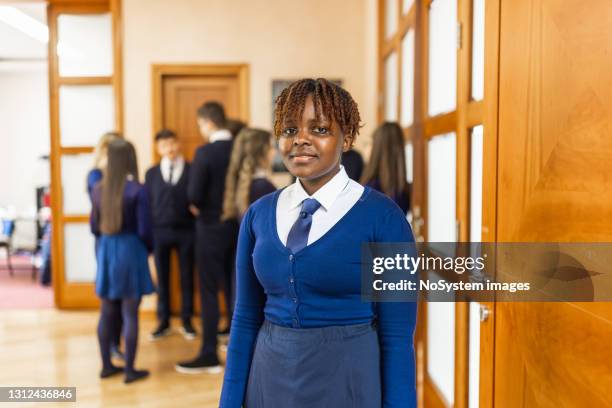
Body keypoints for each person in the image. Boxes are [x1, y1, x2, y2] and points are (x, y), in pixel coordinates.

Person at [220, 78, 417, 407]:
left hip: (348, 383)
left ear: (348, 137)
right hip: (269, 380)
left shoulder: (385, 219)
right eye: (289, 130)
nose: (300, 140)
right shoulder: (258, 215)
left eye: (320, 129)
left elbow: (397, 337)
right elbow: (244, 317)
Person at [177, 101, 238, 373]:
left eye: (200, 125)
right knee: (237, 287)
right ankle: (238, 352)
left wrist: (196, 204)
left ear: (208, 122)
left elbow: (194, 195)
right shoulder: (240, 148)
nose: (200, 130)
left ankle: (209, 353)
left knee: (210, 291)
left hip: (210, 228)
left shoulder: (205, 153)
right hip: (237, 227)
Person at [90, 139, 154, 384]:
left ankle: (106, 366)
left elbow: (94, 227)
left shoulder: (97, 189)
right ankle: (129, 369)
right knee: (130, 313)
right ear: (130, 159)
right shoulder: (138, 190)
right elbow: (145, 230)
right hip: (130, 249)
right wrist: (148, 250)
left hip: (107, 249)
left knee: (106, 312)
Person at [145, 129, 196, 341]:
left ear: (179, 144)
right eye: (165, 144)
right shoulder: (151, 173)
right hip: (160, 231)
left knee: (187, 277)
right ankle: (163, 321)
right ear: (158, 149)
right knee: (162, 279)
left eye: (173, 143)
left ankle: (187, 320)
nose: (170, 148)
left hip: (187, 231)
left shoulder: (192, 169)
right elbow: (147, 204)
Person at [87, 131, 124, 361]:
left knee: (122, 298)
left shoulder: (122, 178)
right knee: (109, 298)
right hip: (105, 242)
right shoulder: (95, 175)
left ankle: (116, 343)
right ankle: (109, 346)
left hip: (122, 242)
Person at [221, 127, 277, 223]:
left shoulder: (242, 183)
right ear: (262, 152)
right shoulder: (263, 187)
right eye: (271, 147)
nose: (275, 152)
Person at [361, 122, 411, 215]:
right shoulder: (406, 189)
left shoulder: (370, 190)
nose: (365, 148)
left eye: (369, 143)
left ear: (378, 148)